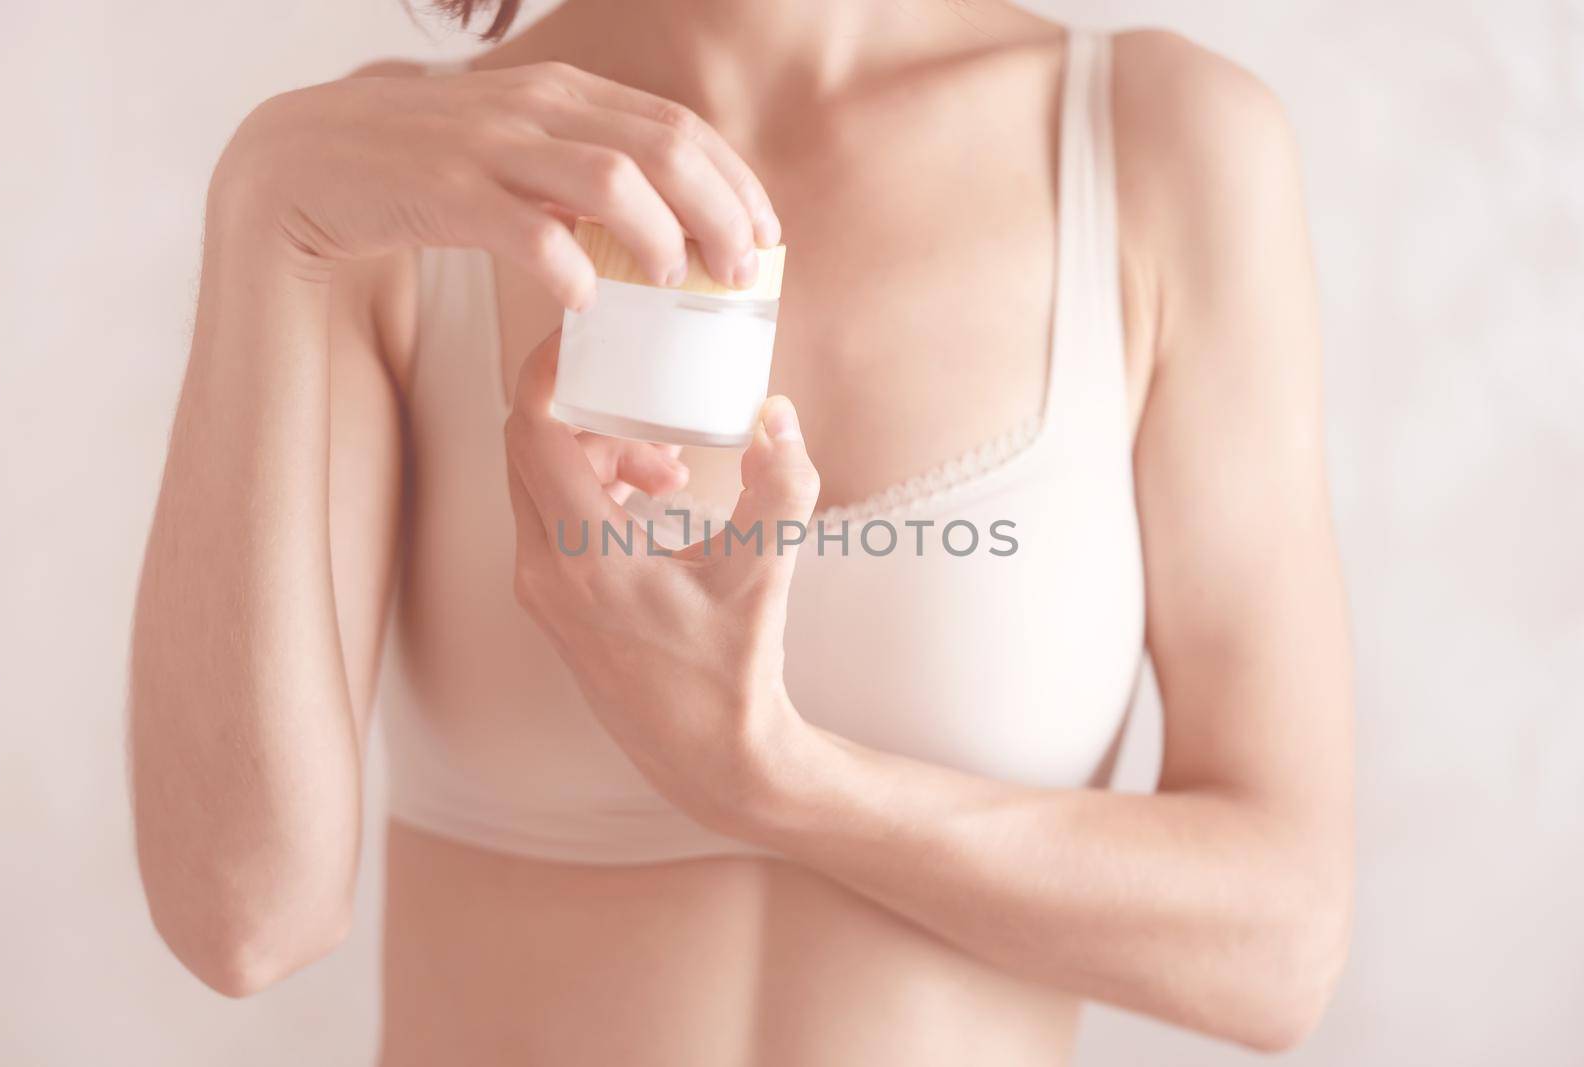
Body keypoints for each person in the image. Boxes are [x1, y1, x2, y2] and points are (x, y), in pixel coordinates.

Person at [129, 0, 1354, 1062]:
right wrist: (266, 211)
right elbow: (245, 919)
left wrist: (769, 774)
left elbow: (1277, 946)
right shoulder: (397, 185)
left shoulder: (1157, 145)